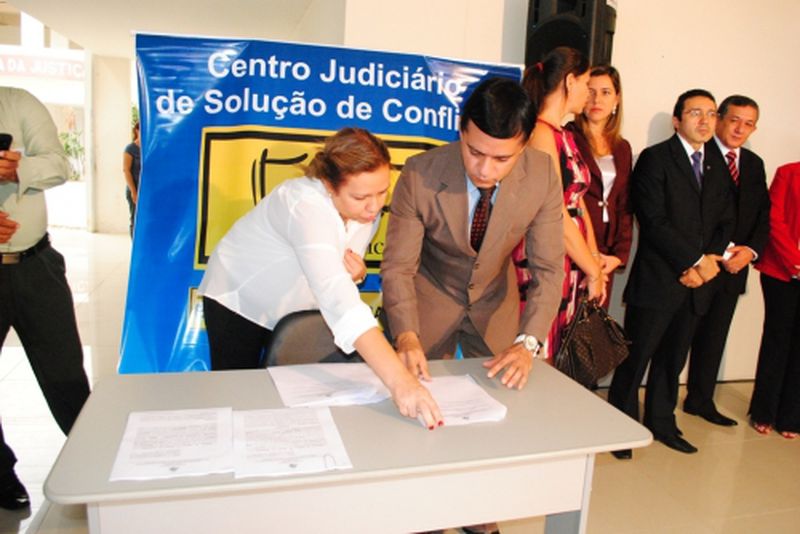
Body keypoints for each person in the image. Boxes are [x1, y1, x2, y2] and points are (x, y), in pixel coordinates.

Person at [199, 127, 442, 428]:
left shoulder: (365, 210)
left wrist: (357, 273)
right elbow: (336, 295)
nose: (375, 206)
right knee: (236, 394)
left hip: (293, 302)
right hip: (239, 298)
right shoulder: (303, 205)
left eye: (382, 191)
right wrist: (401, 383)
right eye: (362, 196)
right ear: (328, 184)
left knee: (293, 399)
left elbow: (337, 268)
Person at [381, 76, 565, 392]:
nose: (485, 170)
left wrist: (527, 342)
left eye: (502, 159)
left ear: (524, 144)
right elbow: (398, 267)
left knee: (504, 410)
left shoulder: (543, 174)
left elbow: (548, 269)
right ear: (461, 130)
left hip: (495, 310)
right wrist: (406, 335)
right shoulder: (419, 174)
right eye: (475, 152)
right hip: (426, 309)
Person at [608, 89, 735, 457]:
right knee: (637, 358)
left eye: (711, 113)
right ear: (677, 120)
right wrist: (692, 262)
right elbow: (654, 220)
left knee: (673, 359)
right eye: (696, 112)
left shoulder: (716, 163)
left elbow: (726, 220)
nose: (705, 120)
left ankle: (663, 423)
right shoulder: (655, 158)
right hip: (660, 279)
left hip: (698, 284)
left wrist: (707, 263)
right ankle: (622, 427)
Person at [0, 86, 91, 509]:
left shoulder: (17, 103)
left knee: (66, 375)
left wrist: (19, 169)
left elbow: (59, 164)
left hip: (36, 264)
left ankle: (95, 468)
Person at [684, 95, 770, 427]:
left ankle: (700, 400)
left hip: (735, 267)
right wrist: (717, 251)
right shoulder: (701, 157)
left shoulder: (753, 163)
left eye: (748, 123)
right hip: (701, 263)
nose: (740, 129)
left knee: (715, 336)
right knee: (680, 338)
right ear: (719, 119)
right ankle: (659, 404)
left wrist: (750, 251)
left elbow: (763, 215)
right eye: (734, 120)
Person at [518, 47, 606, 359]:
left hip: (573, 256)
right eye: (586, 84)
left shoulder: (564, 134)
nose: (590, 95)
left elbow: (578, 202)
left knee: (564, 351)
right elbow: (555, 210)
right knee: (543, 348)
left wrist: (593, 259)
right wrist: (591, 268)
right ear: (570, 81)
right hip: (550, 254)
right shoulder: (541, 135)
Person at [566, 65, 633, 304]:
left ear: (617, 99)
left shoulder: (622, 148)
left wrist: (618, 255)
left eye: (605, 92)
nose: (596, 99)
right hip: (575, 243)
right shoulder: (567, 137)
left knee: (591, 328)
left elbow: (625, 203)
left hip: (608, 251)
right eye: (590, 91)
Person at [748, 162, 800, 440]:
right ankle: (764, 412)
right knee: (777, 340)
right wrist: (796, 262)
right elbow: (774, 218)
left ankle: (792, 415)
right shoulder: (789, 172)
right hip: (781, 271)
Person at [122, 121, 140, 236]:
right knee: (135, 218)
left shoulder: (150, 147)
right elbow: (126, 170)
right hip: (135, 188)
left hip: (146, 190)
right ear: (136, 131)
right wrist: (134, 191)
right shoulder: (130, 148)